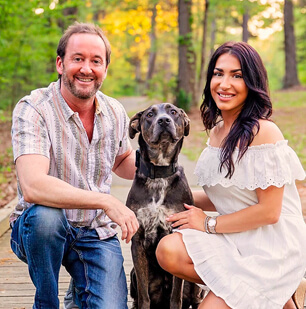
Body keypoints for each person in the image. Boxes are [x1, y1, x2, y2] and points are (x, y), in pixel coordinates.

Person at [156, 41, 306, 309]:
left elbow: (269, 212)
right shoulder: (217, 132)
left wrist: (207, 224)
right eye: (218, 73)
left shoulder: (263, 132)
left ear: (252, 83)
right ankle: (276, 297)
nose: (224, 84)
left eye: (237, 75)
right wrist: (166, 193)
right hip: (236, 237)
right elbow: (229, 193)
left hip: (271, 247)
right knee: (168, 251)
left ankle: (276, 287)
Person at [10, 22, 139, 308]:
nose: (86, 68)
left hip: (95, 232)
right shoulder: (33, 109)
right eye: (77, 59)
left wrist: (158, 160)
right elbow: (33, 186)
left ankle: (81, 289)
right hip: (40, 231)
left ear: (105, 69)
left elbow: (123, 161)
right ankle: (46, 302)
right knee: (45, 218)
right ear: (60, 63)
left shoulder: (115, 111)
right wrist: (106, 201)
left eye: (96, 61)